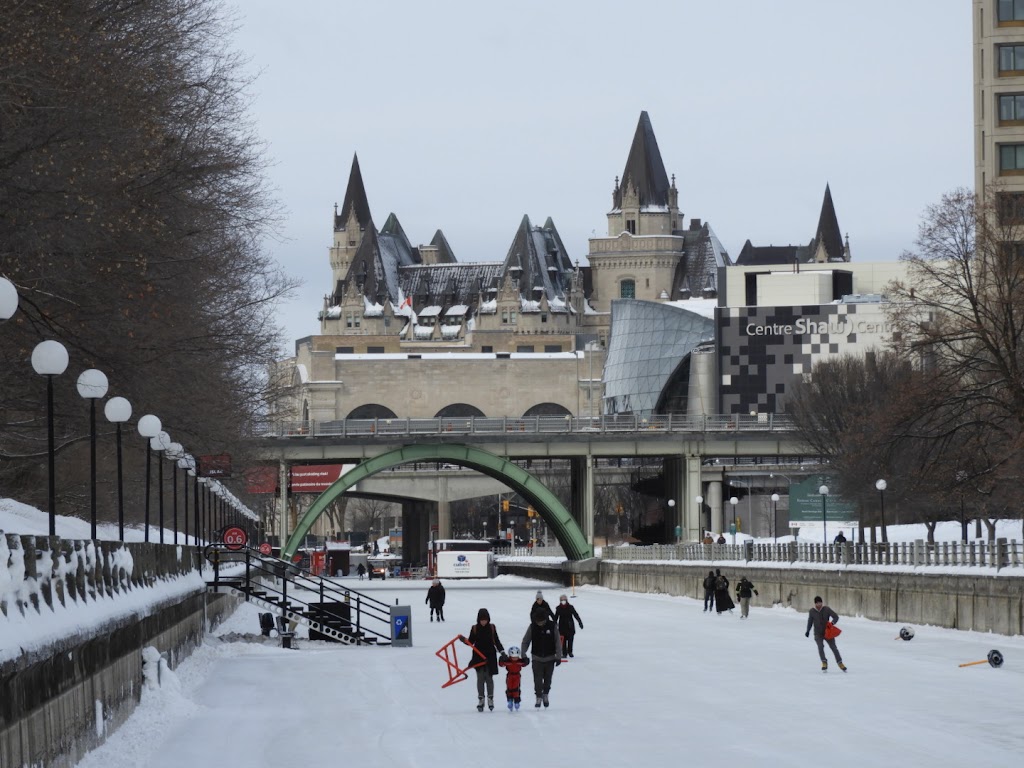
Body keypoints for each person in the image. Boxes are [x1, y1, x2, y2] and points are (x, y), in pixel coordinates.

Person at [462, 608, 504, 711]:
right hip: (478, 657)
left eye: (485, 619)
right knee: (480, 679)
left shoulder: (492, 628)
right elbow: (471, 642)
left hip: (490, 657)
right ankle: (481, 699)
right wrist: (464, 640)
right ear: (478, 619)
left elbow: (496, 641)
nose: (483, 622)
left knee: (489, 679)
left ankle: (490, 698)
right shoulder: (475, 628)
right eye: (482, 620)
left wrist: (502, 652)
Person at [521, 611, 562, 708]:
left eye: (542, 622)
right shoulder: (532, 627)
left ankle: (546, 694)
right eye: (538, 622)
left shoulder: (552, 626)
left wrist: (558, 656)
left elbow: (557, 642)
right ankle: (538, 696)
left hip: (550, 658)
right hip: (537, 658)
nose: (540, 624)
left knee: (548, 679)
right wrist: (523, 654)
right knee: (537, 679)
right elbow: (525, 641)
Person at [805, 596, 846, 672]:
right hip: (818, 634)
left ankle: (840, 662)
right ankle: (824, 662)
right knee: (820, 647)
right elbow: (810, 621)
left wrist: (832, 623)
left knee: (834, 648)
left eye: (820, 603)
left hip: (828, 633)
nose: (819, 605)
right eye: (817, 603)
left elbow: (836, 617)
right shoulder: (812, 611)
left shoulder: (826, 609)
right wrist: (808, 630)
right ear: (815, 604)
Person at [498, 645, 530, 711]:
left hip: (517, 676)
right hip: (510, 676)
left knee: (515, 688)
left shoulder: (519, 661)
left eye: (516, 657)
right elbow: (501, 664)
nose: (515, 659)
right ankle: (509, 700)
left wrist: (526, 660)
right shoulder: (508, 661)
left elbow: (524, 663)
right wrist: (501, 659)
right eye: (513, 657)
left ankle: (516, 701)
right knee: (509, 688)